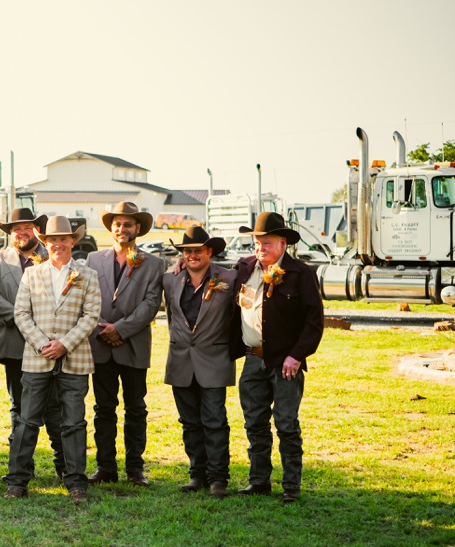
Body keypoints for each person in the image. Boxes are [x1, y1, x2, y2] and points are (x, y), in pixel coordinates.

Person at [230, 212, 324, 502]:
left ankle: (291, 486)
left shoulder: (300, 273)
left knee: (286, 424)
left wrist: (296, 356)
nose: (261, 249)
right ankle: (259, 480)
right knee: (254, 423)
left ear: (283, 243)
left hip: (285, 364)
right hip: (252, 358)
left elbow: (314, 321)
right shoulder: (244, 268)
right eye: (257, 243)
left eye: (267, 243)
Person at [8, 215, 102, 503]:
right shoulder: (31, 275)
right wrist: (41, 344)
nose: (57, 244)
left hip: (74, 360)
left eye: (63, 239)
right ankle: (17, 481)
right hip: (37, 359)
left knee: (73, 422)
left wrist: (65, 343)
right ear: (44, 243)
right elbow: (21, 314)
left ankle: (76, 483)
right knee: (27, 421)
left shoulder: (88, 275)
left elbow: (91, 316)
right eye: (52, 240)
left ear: (72, 241)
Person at [87, 202, 165, 487]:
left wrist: (119, 329)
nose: (122, 229)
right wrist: (103, 328)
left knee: (136, 409)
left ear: (138, 228)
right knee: (103, 409)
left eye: (128, 224)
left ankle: (135, 468)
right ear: (111, 227)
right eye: (117, 224)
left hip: (132, 345)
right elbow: (88, 299)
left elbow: (150, 304)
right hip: (100, 345)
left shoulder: (154, 263)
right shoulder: (93, 260)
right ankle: (105, 466)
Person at [162, 224, 238, 497]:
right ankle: (197, 474)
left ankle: (218, 478)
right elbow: (172, 318)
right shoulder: (171, 279)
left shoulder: (229, 278)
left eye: (198, 251)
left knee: (215, 420)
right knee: (189, 422)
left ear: (209, 251)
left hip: (214, 360)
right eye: (187, 251)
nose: (192, 256)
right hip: (180, 360)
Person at [0, 208, 59, 476]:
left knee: (54, 406)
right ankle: (21, 467)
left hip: (50, 342)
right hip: (14, 341)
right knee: (18, 406)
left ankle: (64, 466)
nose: (22, 232)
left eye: (27, 227)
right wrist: (22, 319)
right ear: (10, 232)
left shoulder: (53, 254)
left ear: (36, 229)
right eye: (16, 228)